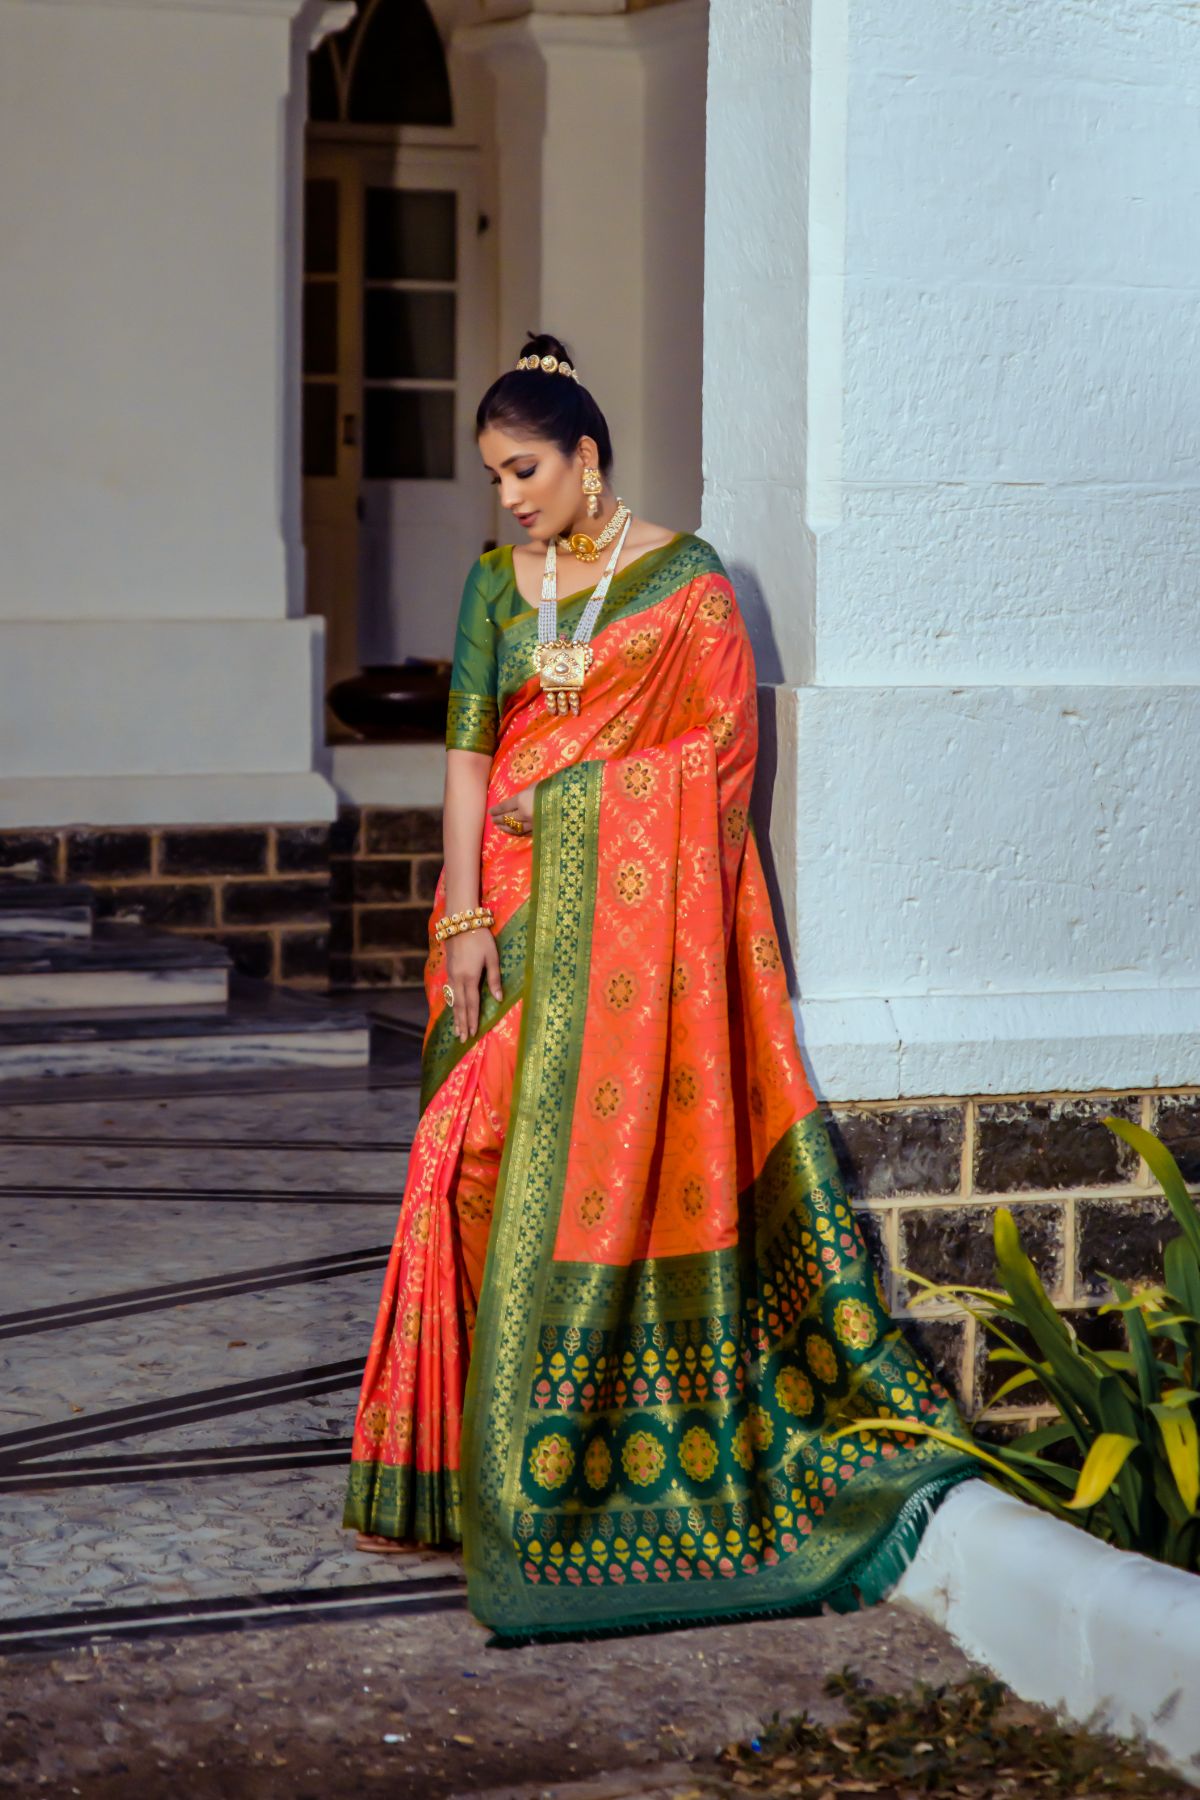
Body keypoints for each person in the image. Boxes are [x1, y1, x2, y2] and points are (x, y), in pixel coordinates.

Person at [343, 334, 975, 1642]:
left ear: (586, 457)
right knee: (462, 1162)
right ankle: (470, 1469)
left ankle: (575, 1470)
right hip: (507, 921)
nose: (508, 497)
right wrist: (459, 910)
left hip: (621, 940)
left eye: (523, 471)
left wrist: (581, 803)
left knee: (550, 1165)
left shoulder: (685, 584)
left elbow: (721, 761)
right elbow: (469, 756)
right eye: (493, 477)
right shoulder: (491, 588)